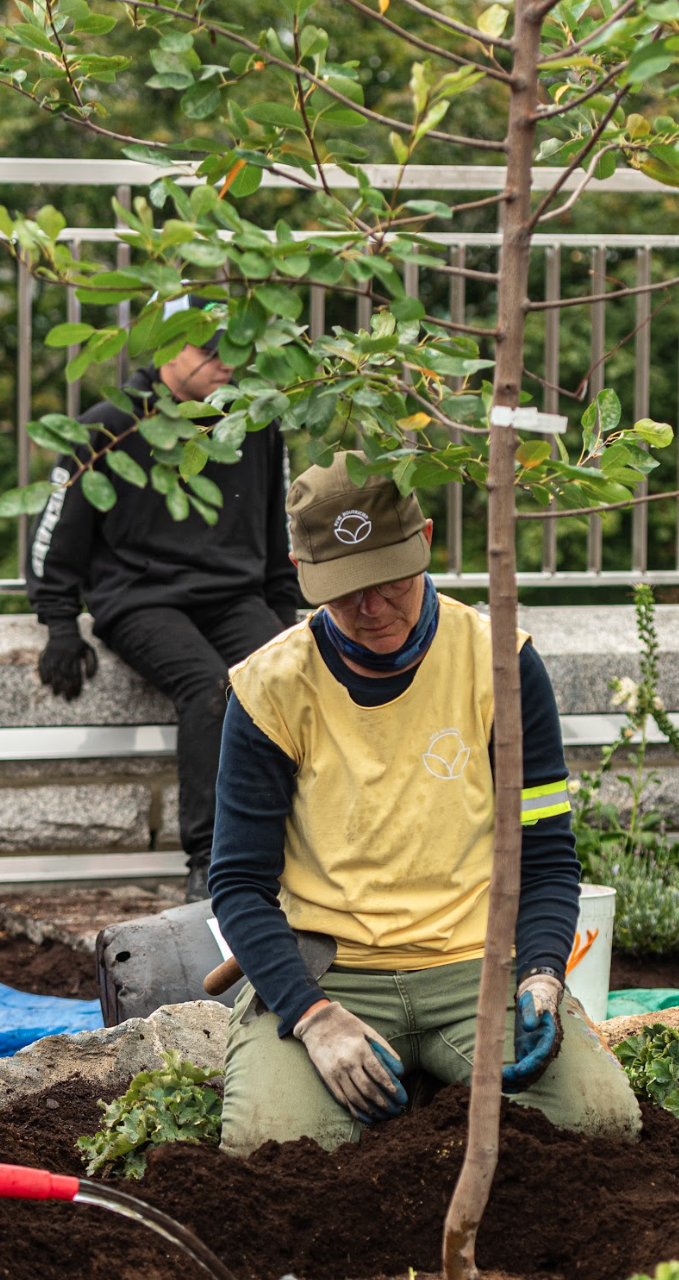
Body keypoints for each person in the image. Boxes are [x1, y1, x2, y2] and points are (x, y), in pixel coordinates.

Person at [206, 459, 639, 1153]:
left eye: (391, 581)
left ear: (426, 540)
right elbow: (238, 884)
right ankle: (389, 1067)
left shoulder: (501, 665)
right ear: (301, 571)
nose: (373, 608)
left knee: (599, 1125)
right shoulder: (271, 689)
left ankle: (433, 1076)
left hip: (475, 967)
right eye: (346, 591)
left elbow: (547, 858)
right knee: (271, 1151)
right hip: (332, 973)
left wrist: (540, 971)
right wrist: (312, 1017)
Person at [25, 333, 300, 903]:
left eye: (234, 351)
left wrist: (284, 621)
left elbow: (279, 528)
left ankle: (291, 856)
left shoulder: (253, 421)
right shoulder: (108, 425)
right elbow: (58, 530)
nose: (225, 364)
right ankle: (210, 865)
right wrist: (60, 623)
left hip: (233, 595)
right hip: (139, 598)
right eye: (209, 351)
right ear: (169, 348)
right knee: (209, 689)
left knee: (287, 683)